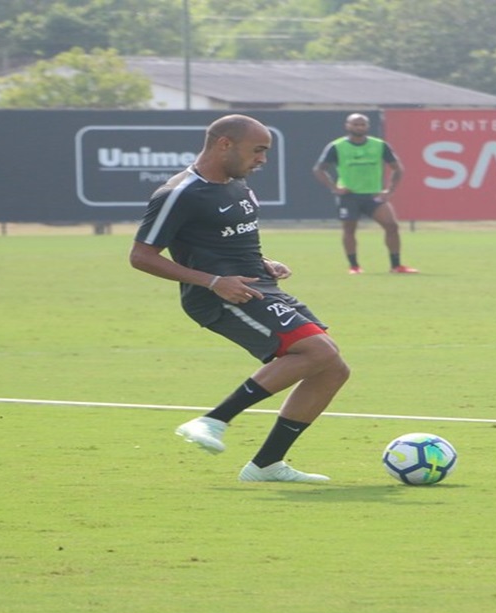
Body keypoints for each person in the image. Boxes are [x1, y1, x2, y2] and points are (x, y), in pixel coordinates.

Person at [129, 114, 351, 484]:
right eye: (258, 150)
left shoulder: (238, 185)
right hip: (218, 296)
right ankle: (212, 421)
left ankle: (266, 465)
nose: (263, 159)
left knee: (333, 369)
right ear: (224, 144)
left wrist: (264, 262)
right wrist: (214, 281)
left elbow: (223, 240)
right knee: (317, 351)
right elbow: (141, 256)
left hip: (259, 285)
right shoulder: (179, 193)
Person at [312, 113, 419, 275]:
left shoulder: (379, 145)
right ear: (347, 126)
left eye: (362, 124)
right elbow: (319, 169)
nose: (359, 127)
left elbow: (398, 168)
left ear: (367, 127)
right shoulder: (337, 146)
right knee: (349, 230)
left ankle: (396, 265)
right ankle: (354, 266)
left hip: (373, 195)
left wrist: (389, 191)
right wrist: (334, 188)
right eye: (355, 124)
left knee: (392, 226)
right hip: (349, 195)